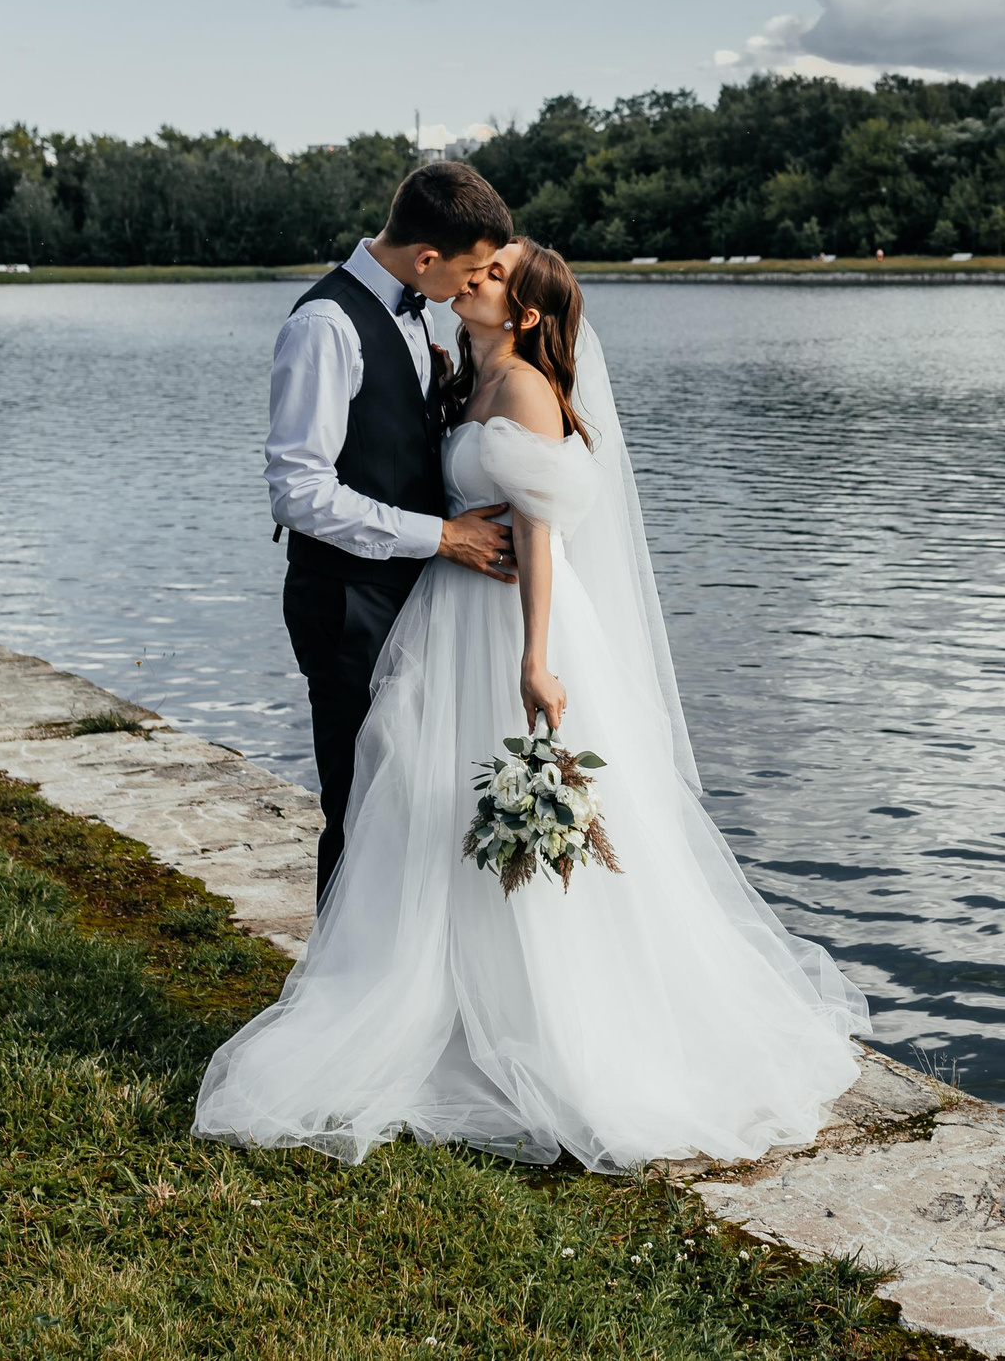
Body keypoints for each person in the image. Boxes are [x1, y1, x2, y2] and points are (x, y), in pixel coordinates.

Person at [198, 247, 868, 1169]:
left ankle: (545, 1023)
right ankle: (439, 1006)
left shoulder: (526, 393)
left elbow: (540, 534)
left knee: (502, 815)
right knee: (425, 804)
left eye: (496, 272)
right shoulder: (463, 371)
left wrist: (536, 656)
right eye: (477, 263)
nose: (474, 275)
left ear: (521, 312)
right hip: (446, 611)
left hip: (509, 620)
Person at [267, 161, 519, 904]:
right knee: (358, 804)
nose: (471, 287)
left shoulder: (418, 317)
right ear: (427, 258)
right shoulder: (324, 325)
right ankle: (333, 996)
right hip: (346, 601)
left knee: (413, 800)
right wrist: (444, 537)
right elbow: (299, 491)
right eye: (469, 271)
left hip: (406, 597)